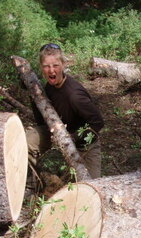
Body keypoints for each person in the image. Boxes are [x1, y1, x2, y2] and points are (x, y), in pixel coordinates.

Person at [26, 43, 104, 179]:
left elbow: (98, 123)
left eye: (55, 65)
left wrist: (74, 139)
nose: (51, 71)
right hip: (58, 135)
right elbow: (42, 120)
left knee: (90, 187)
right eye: (46, 66)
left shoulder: (74, 95)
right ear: (41, 67)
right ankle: (38, 181)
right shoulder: (49, 87)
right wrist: (33, 94)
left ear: (63, 65)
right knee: (26, 141)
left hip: (85, 145)